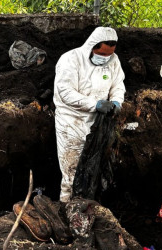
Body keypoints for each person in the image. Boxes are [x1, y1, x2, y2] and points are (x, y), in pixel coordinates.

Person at [53, 27, 126, 202]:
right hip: (72, 121)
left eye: (109, 54)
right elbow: (66, 91)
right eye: (101, 53)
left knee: (94, 170)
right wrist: (95, 104)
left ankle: (89, 207)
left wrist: (117, 102)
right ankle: (67, 207)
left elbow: (118, 85)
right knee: (72, 170)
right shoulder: (71, 60)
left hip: (98, 123)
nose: (105, 58)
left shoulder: (113, 61)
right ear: (91, 46)